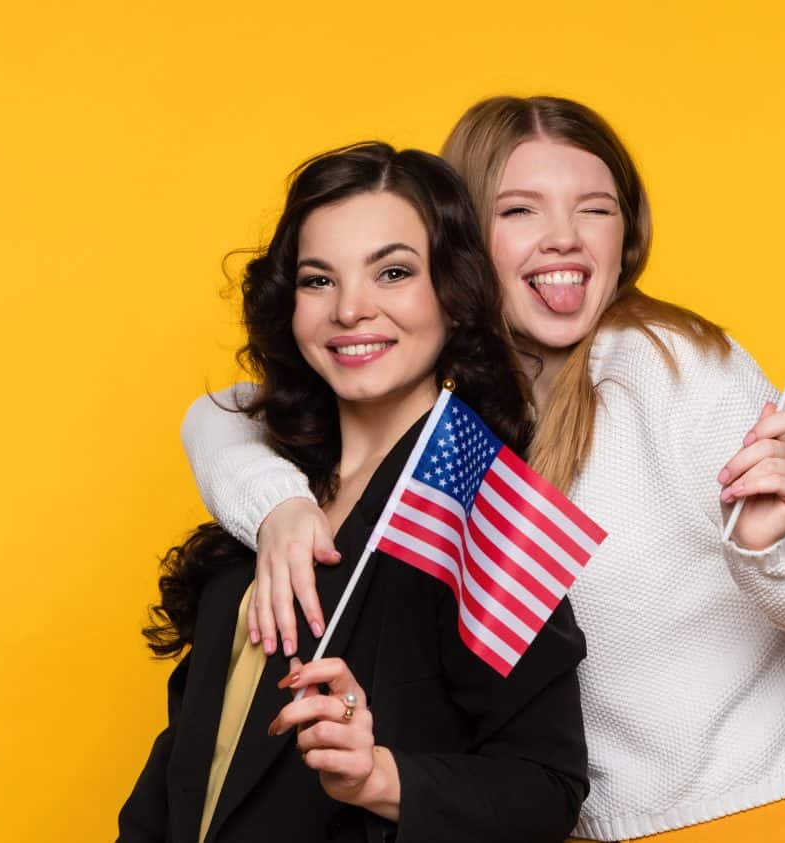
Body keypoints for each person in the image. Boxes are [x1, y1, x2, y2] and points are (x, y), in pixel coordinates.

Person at [181, 97, 785, 840]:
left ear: (628, 233)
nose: (563, 239)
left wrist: (779, 549)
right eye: (520, 210)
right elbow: (224, 415)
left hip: (747, 815)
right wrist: (276, 504)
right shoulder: (460, 403)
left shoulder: (674, 366)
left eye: (595, 209)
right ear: (458, 241)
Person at [120, 142, 587, 842]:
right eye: (318, 280)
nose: (350, 309)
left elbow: (547, 786)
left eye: (392, 272)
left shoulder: (474, 510)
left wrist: (381, 777)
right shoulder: (267, 486)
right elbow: (193, 740)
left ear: (453, 295)